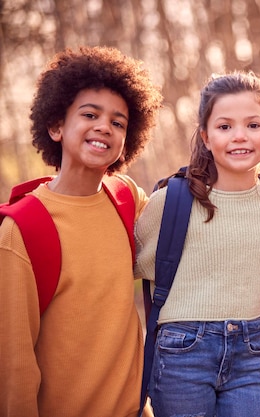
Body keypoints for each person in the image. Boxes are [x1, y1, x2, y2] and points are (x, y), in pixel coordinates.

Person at [0, 46, 162, 416]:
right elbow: (14, 365)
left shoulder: (126, 198)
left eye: (118, 122)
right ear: (56, 126)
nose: (104, 126)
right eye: (90, 114)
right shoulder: (21, 230)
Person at [134, 71, 260, 417]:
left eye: (253, 125)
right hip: (181, 354)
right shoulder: (171, 201)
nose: (240, 137)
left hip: (248, 352)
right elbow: (127, 262)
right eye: (224, 127)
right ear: (205, 136)